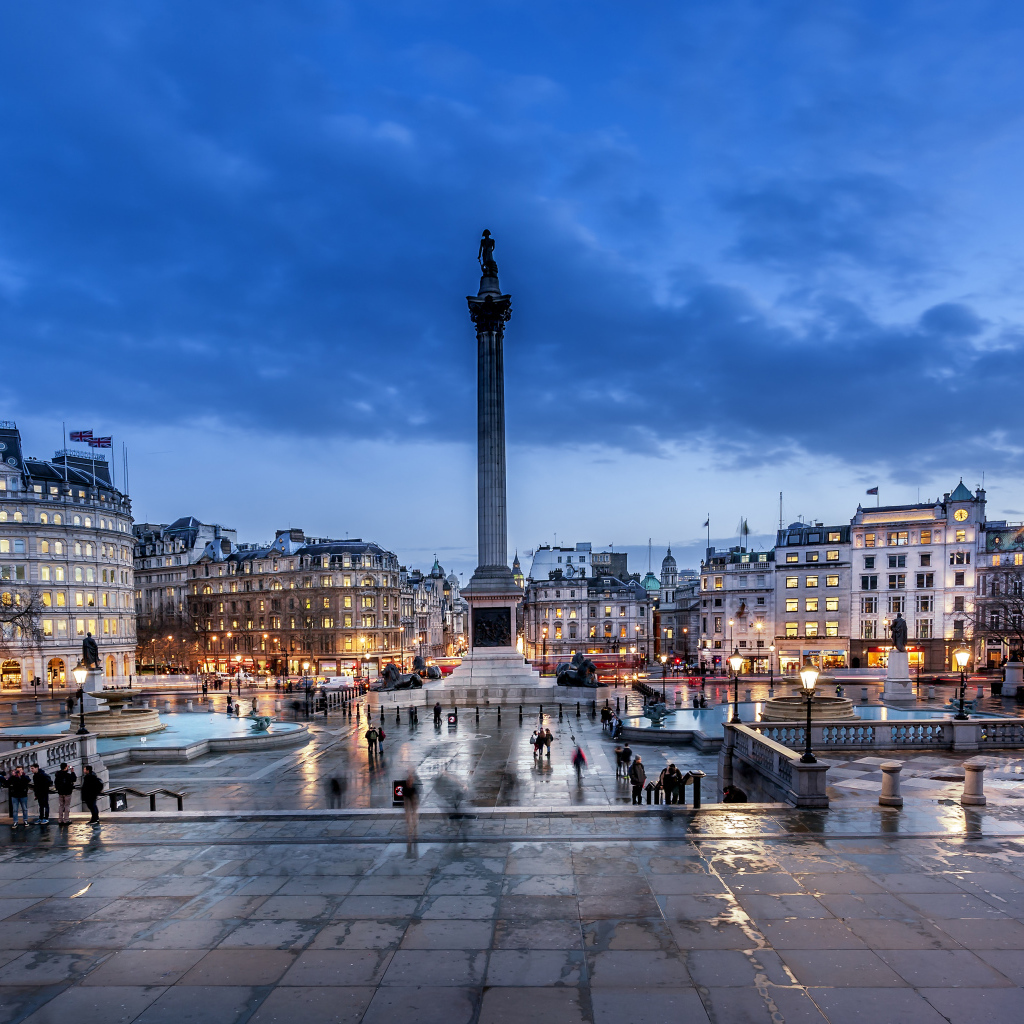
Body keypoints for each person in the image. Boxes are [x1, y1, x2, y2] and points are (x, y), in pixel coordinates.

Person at [403, 769, 421, 853]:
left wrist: (414, 809)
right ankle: (410, 838)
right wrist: (407, 812)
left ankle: (415, 834)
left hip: (414, 802)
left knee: (414, 820)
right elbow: (406, 801)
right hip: (410, 801)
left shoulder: (414, 788)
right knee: (410, 822)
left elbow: (415, 800)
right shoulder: (406, 789)